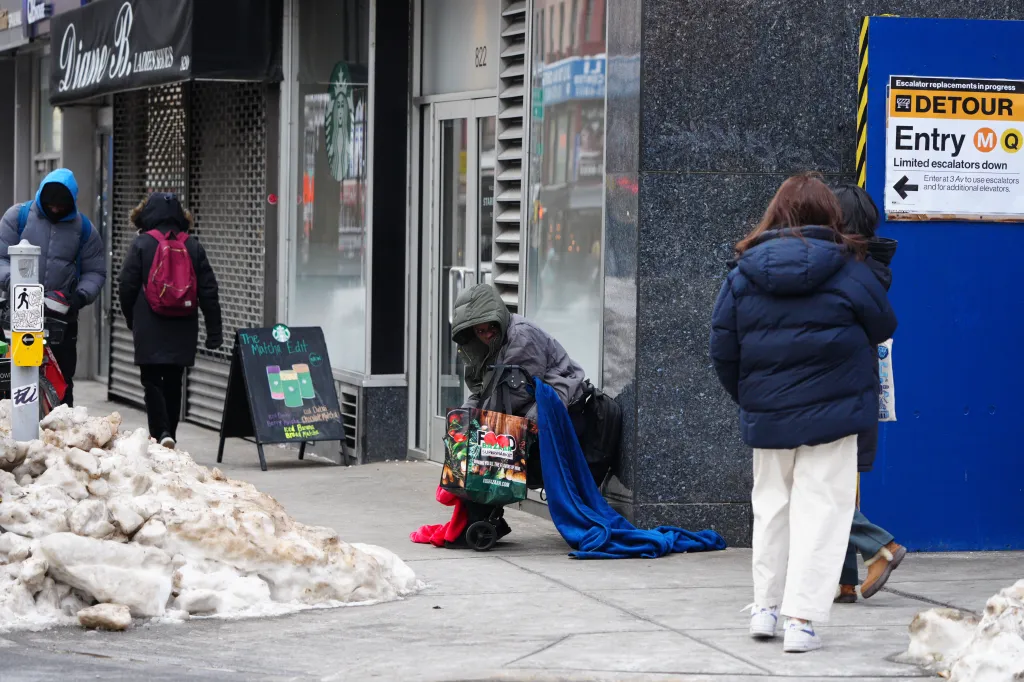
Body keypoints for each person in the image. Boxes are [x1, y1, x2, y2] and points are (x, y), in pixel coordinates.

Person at [710, 173, 897, 653]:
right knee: (822, 513)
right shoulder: (851, 269)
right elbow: (882, 324)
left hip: (768, 414)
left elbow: (722, 350)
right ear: (828, 215)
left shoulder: (741, 271)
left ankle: (766, 609)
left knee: (771, 508)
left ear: (777, 212)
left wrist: (753, 397)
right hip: (835, 417)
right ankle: (801, 621)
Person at [449, 282, 587, 543]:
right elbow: (482, 391)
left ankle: (482, 521)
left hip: (557, 408)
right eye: (480, 331)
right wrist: (461, 422)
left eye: (491, 328)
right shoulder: (490, 345)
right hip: (529, 411)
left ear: (499, 320)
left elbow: (519, 395)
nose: (487, 334)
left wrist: (481, 431)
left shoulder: (521, 337)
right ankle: (479, 521)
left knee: (485, 456)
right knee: (471, 449)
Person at [832, 184, 907, 604]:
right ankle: (843, 581)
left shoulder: (847, 273)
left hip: (833, 391)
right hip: (857, 388)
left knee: (817, 487)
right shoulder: (872, 270)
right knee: (840, 484)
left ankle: (881, 544)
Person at [117, 193, 222, 449]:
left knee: (152, 381)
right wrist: (214, 332)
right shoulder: (193, 245)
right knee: (175, 380)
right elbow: (209, 290)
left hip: (149, 324)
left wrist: (132, 319)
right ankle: (170, 432)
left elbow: (126, 285)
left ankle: (160, 432)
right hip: (183, 324)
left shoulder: (142, 244)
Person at [0, 169, 107, 407]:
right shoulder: (18, 216)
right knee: (13, 373)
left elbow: (95, 271)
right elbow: (0, 258)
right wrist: (13, 282)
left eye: (62, 206)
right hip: (19, 311)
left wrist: (80, 296)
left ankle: (61, 427)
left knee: (61, 378)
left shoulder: (85, 229)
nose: (56, 210)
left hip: (61, 317)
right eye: (51, 205)